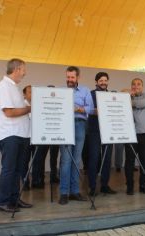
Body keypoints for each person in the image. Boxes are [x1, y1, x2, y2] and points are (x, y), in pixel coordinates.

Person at [0, 58, 32, 212]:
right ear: (16, 69)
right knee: (9, 169)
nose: (25, 72)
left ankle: (14, 199)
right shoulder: (4, 86)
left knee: (17, 169)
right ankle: (3, 202)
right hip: (10, 134)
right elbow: (9, 112)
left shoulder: (15, 87)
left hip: (20, 134)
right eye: (23, 69)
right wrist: (30, 108)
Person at [58, 66, 93, 205]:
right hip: (64, 125)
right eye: (68, 77)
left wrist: (79, 108)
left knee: (76, 160)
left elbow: (90, 108)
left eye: (72, 77)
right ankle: (64, 193)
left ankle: (75, 191)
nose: (69, 80)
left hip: (79, 124)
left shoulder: (85, 90)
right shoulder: (61, 91)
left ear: (78, 77)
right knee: (65, 160)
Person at [87, 72, 116, 196]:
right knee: (94, 158)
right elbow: (88, 110)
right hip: (94, 131)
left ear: (108, 81)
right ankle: (92, 187)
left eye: (105, 80)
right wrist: (97, 111)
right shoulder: (91, 94)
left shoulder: (111, 95)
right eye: (101, 80)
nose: (103, 82)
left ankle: (105, 185)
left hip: (109, 131)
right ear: (96, 82)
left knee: (107, 159)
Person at [124, 78, 145, 195]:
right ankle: (129, 186)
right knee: (129, 162)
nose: (136, 86)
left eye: (138, 84)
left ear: (142, 86)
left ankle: (143, 185)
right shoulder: (126, 96)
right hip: (131, 134)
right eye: (133, 84)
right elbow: (120, 93)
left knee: (144, 162)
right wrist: (127, 95)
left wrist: (130, 103)